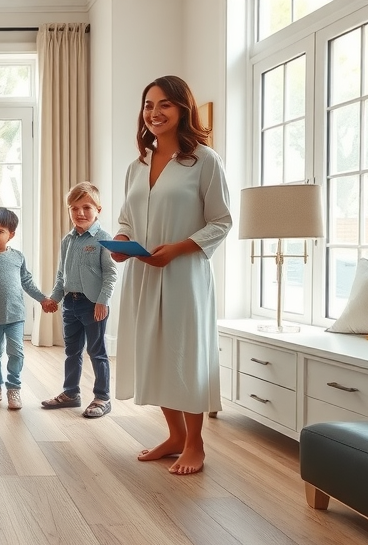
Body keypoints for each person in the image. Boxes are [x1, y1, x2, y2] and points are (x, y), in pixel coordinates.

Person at [112, 75, 232, 475]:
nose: (155, 112)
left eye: (164, 104)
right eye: (148, 105)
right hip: (145, 273)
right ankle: (175, 435)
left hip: (184, 273)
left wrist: (177, 249)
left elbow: (221, 221)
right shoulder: (137, 165)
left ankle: (195, 443)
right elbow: (127, 216)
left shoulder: (204, 160)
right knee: (156, 351)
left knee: (185, 353)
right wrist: (122, 239)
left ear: (183, 108)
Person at [41, 182, 118, 419]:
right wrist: (54, 299)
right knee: (72, 351)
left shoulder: (104, 239)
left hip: (93, 304)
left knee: (97, 351)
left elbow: (111, 274)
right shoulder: (68, 240)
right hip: (70, 304)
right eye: (74, 208)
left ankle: (102, 397)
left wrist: (102, 301)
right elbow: (62, 275)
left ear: (98, 210)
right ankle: (70, 393)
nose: (80, 213)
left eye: (86, 207)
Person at [0, 207, 57, 411]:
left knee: (16, 353)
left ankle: (13, 388)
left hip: (16, 316)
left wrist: (43, 299)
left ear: (11, 234)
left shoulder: (17, 257)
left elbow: (26, 281)